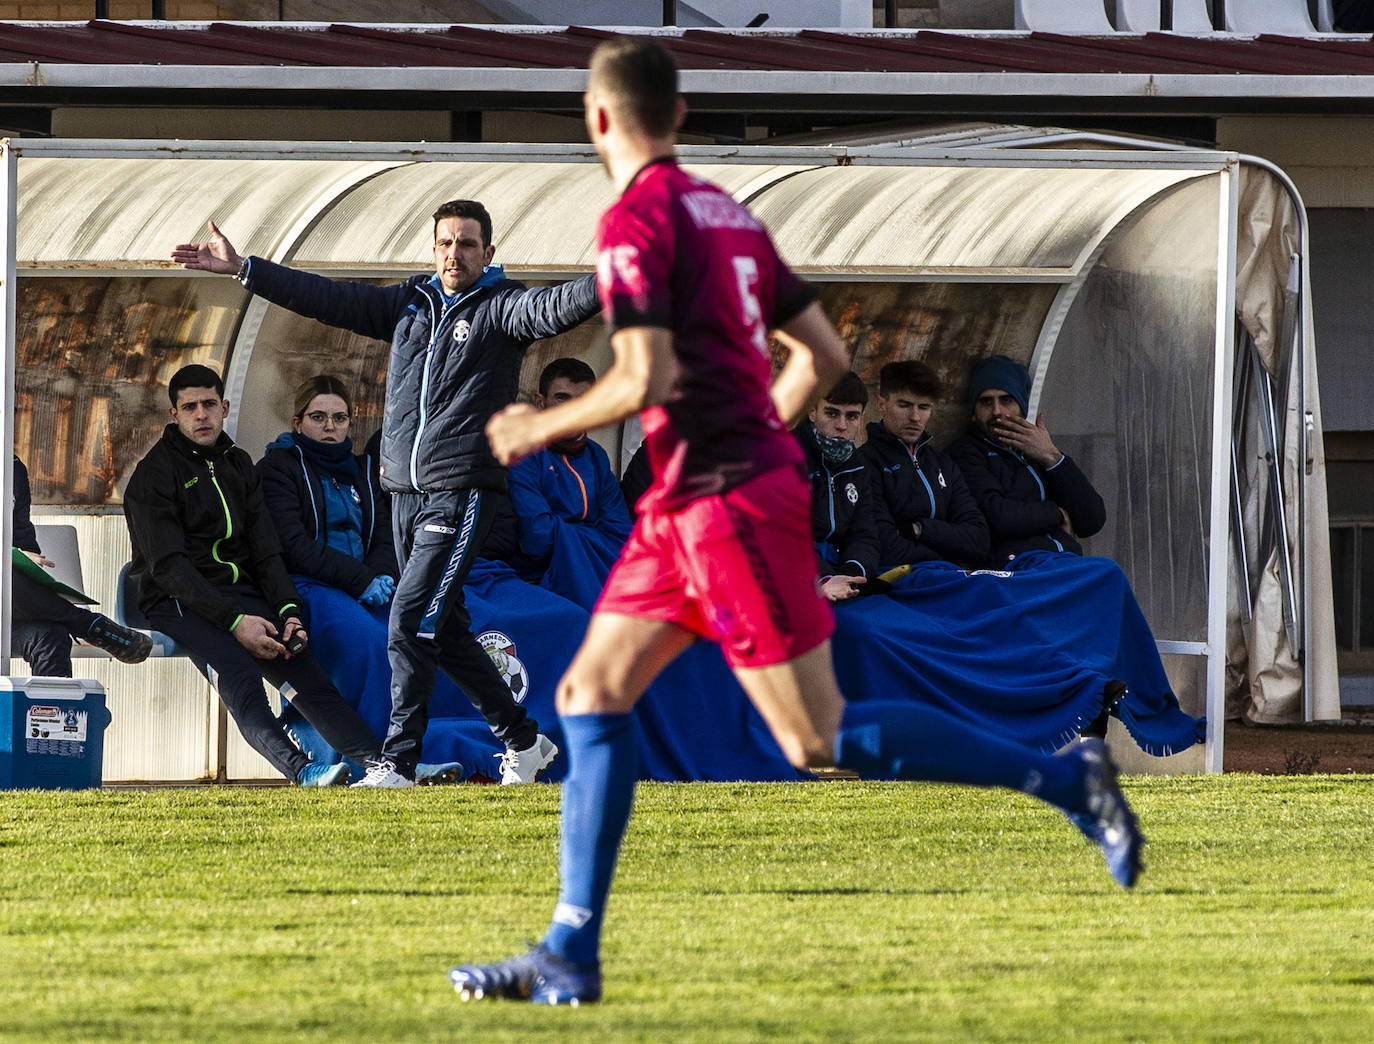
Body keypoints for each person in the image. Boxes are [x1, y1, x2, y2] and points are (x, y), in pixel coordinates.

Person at [448, 37, 1144, 1008]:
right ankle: (571, 947)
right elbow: (818, 356)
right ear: (678, 116)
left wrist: (540, 422)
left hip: (726, 504)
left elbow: (643, 376)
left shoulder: (634, 218)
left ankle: (1064, 780)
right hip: (689, 502)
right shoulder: (729, 216)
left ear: (598, 120)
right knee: (590, 696)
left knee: (816, 739)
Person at [171, 198, 600, 787]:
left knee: (409, 621)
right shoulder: (409, 305)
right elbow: (325, 298)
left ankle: (396, 761)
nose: (455, 254)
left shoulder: (502, 309)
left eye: (468, 244)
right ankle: (523, 742)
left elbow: (559, 305)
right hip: (403, 492)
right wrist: (246, 268)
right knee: (442, 628)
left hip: (459, 489)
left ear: (489, 253)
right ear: (433, 250)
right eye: (446, 243)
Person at [122, 364, 385, 787]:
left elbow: (266, 553)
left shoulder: (239, 464)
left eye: (209, 404)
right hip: (176, 602)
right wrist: (235, 622)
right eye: (190, 407)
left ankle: (383, 766)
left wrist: (289, 613)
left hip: (238, 594)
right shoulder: (153, 476)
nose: (201, 415)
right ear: (174, 414)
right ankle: (303, 771)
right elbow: (169, 569)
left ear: (224, 407)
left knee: (304, 669)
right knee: (239, 676)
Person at [255, 375, 469, 784]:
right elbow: (292, 543)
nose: (330, 427)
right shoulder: (277, 468)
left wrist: (383, 577)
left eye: (339, 418)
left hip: (366, 585)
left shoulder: (365, 469)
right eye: (318, 417)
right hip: (307, 588)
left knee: (420, 635)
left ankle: (435, 750)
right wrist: (359, 580)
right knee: (371, 646)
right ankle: (377, 760)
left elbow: (391, 533)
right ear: (298, 422)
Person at [9, 454, 152, 674]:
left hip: (10, 609)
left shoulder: (13, 466)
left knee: (51, 637)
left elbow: (21, 534)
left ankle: (56, 707)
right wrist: (7, 556)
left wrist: (27, 560)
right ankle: (87, 624)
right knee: (4, 573)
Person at [507, 358, 633, 586]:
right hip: (538, 579)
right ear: (540, 402)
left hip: (596, 571)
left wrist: (565, 533)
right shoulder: (523, 454)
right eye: (562, 398)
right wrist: (591, 534)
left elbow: (621, 535)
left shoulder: (597, 456)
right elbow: (538, 540)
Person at [857, 360, 989, 571]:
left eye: (924, 407)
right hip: (904, 579)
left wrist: (919, 529)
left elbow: (979, 540)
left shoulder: (942, 463)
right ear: (881, 403)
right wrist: (947, 559)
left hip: (950, 574)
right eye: (904, 405)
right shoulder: (865, 463)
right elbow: (887, 546)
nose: (915, 417)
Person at [794, 372, 881, 603]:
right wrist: (825, 578)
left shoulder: (858, 466)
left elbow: (865, 533)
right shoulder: (787, 458)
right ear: (812, 411)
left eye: (852, 416)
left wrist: (853, 572)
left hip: (840, 575)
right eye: (832, 413)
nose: (842, 426)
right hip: (794, 574)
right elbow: (781, 537)